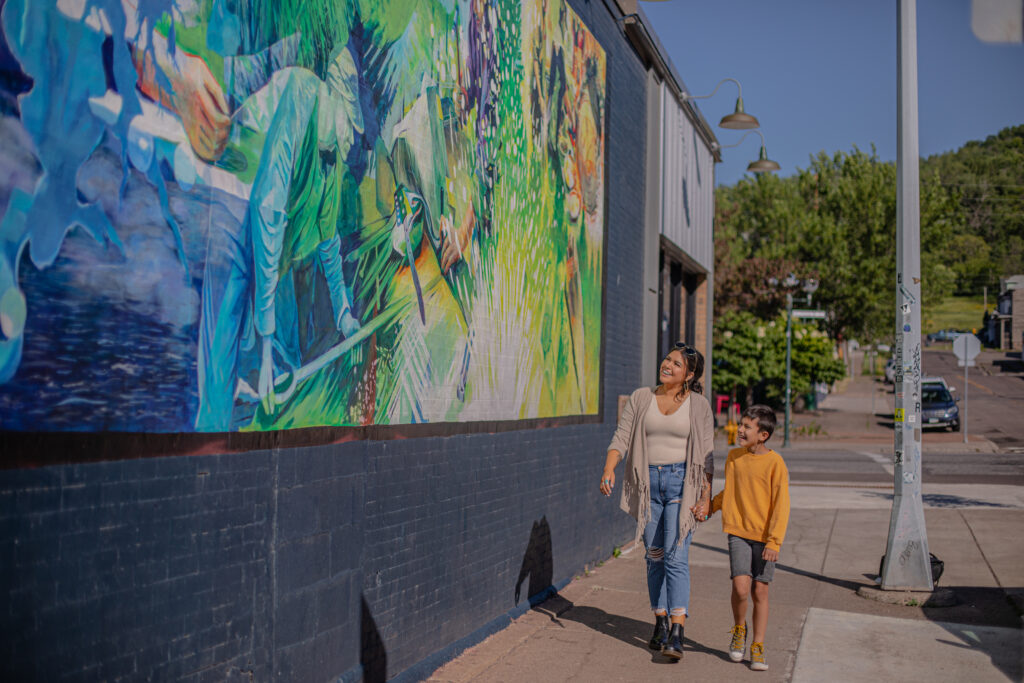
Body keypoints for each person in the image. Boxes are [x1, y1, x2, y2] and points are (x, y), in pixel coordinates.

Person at [600, 343, 714, 660]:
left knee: (676, 557)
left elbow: (707, 454)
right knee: (655, 556)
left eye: (676, 364)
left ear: (689, 375)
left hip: (683, 485)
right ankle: (660, 620)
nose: (667, 365)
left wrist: (706, 497)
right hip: (648, 485)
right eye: (667, 359)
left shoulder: (699, 405)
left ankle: (677, 632)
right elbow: (621, 436)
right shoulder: (641, 398)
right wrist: (609, 468)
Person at [694, 404, 790, 672]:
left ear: (763, 435)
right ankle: (739, 628)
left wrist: (774, 542)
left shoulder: (775, 463)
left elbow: (781, 505)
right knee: (740, 588)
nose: (740, 429)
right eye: (741, 424)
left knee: (760, 591)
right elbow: (730, 491)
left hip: (765, 537)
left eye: (747, 426)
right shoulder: (735, 457)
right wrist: (710, 506)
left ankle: (757, 645)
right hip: (738, 531)